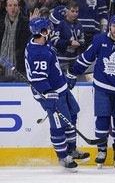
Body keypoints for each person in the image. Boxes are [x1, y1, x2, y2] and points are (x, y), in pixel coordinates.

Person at [66, 14, 115, 169]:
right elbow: (86, 58)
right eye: (114, 26)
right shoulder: (99, 40)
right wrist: (74, 72)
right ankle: (102, 151)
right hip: (102, 87)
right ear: (110, 26)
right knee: (102, 120)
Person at [24, 17, 90, 172]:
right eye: (47, 29)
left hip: (61, 88)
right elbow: (38, 79)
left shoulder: (39, 43)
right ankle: (63, 156)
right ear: (42, 32)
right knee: (59, 125)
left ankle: (71, 149)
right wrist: (47, 94)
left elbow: (35, 37)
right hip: (51, 94)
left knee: (72, 115)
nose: (51, 30)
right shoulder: (39, 53)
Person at [0, 0, 31, 81]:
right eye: (10, 5)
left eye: (15, 5)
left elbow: (29, 40)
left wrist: (32, 27)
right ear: (6, 8)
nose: (13, 8)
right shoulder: (1, 22)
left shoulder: (26, 22)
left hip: (20, 64)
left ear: (19, 7)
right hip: (2, 65)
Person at [50, 0, 86, 73]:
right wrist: (69, 43)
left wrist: (79, 44)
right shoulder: (60, 24)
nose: (75, 14)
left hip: (74, 60)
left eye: (77, 12)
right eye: (72, 11)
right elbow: (54, 40)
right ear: (66, 11)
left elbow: (82, 40)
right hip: (61, 60)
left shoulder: (79, 25)